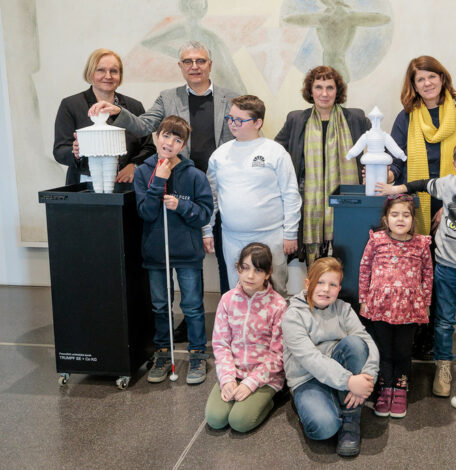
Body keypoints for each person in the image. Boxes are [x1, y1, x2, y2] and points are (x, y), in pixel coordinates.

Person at [90, 40, 239, 327]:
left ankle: (228, 323)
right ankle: (184, 325)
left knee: (226, 257)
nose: (194, 66)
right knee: (183, 261)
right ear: (180, 66)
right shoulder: (167, 97)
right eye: (187, 61)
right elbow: (145, 126)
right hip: (180, 185)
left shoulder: (230, 98)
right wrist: (117, 112)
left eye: (200, 61)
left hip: (223, 187)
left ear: (210, 64)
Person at [377, 135, 456, 400]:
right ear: (454, 163)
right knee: (445, 321)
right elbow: (421, 184)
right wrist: (395, 189)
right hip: (446, 265)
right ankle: (443, 366)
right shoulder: (447, 184)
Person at [388, 55, 456, 360]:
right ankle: (419, 333)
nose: (426, 83)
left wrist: (451, 204)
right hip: (418, 203)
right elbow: (398, 161)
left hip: (451, 202)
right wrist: (387, 174)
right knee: (417, 270)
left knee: (443, 273)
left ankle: (439, 336)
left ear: (442, 78)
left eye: (431, 77)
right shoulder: (406, 117)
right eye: (420, 79)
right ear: (413, 85)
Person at [133, 115, 213, 385]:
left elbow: (204, 215)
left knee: (191, 306)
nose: (170, 142)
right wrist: (159, 181)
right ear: (156, 137)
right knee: (159, 306)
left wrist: (182, 206)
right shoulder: (144, 172)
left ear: (183, 145)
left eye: (178, 139)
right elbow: (145, 212)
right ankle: (163, 354)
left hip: (188, 254)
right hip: (157, 255)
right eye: (166, 136)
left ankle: (198, 354)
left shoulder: (194, 175)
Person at [204, 95, 301, 296]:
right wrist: (207, 230)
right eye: (230, 118)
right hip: (232, 237)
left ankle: (278, 328)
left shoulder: (275, 152)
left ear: (258, 122)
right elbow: (211, 196)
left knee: (275, 292)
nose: (233, 124)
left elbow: (290, 194)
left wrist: (290, 233)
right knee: (237, 293)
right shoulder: (220, 155)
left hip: (270, 236)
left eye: (240, 120)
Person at [282, 257, 379, 457]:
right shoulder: (293, 316)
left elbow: (367, 342)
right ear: (308, 284)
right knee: (324, 428)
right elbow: (311, 360)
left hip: (337, 368)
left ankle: (351, 420)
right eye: (320, 282)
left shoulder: (343, 309)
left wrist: (367, 378)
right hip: (307, 378)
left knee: (355, 344)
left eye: (332, 284)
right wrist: (349, 381)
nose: (326, 289)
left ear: (339, 288)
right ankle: (318, 403)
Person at [275, 65, 370, 265]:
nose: (324, 93)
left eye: (330, 87)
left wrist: (375, 172)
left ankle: (346, 296)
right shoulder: (296, 119)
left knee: (349, 260)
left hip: (348, 202)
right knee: (317, 266)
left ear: (338, 91)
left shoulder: (356, 118)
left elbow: (380, 148)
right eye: (318, 87)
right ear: (310, 91)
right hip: (309, 202)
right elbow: (276, 153)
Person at [358, 194, 433, 418]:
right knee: (383, 349)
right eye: (395, 214)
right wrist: (363, 299)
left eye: (406, 215)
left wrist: (426, 303)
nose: (400, 219)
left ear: (413, 219)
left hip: (409, 308)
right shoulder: (376, 240)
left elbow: (427, 275)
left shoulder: (421, 244)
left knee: (402, 350)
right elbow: (364, 269)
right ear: (386, 218)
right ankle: (385, 386)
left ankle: (400, 388)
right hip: (380, 306)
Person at [205, 243, 287, 432]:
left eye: (258, 270)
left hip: (265, 377)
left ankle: (272, 399)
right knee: (215, 419)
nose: (250, 276)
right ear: (238, 268)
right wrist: (227, 379)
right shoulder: (227, 300)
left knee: (239, 422)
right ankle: (236, 388)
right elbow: (220, 344)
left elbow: (278, 355)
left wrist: (251, 384)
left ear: (268, 273)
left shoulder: (278, 305)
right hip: (234, 372)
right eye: (245, 268)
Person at [53, 48, 155, 186]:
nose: (108, 76)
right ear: (90, 73)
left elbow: (148, 147)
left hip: (127, 185)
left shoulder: (134, 106)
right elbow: (59, 151)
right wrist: (74, 152)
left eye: (114, 71)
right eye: (100, 70)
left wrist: (134, 166)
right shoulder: (70, 105)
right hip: (84, 186)